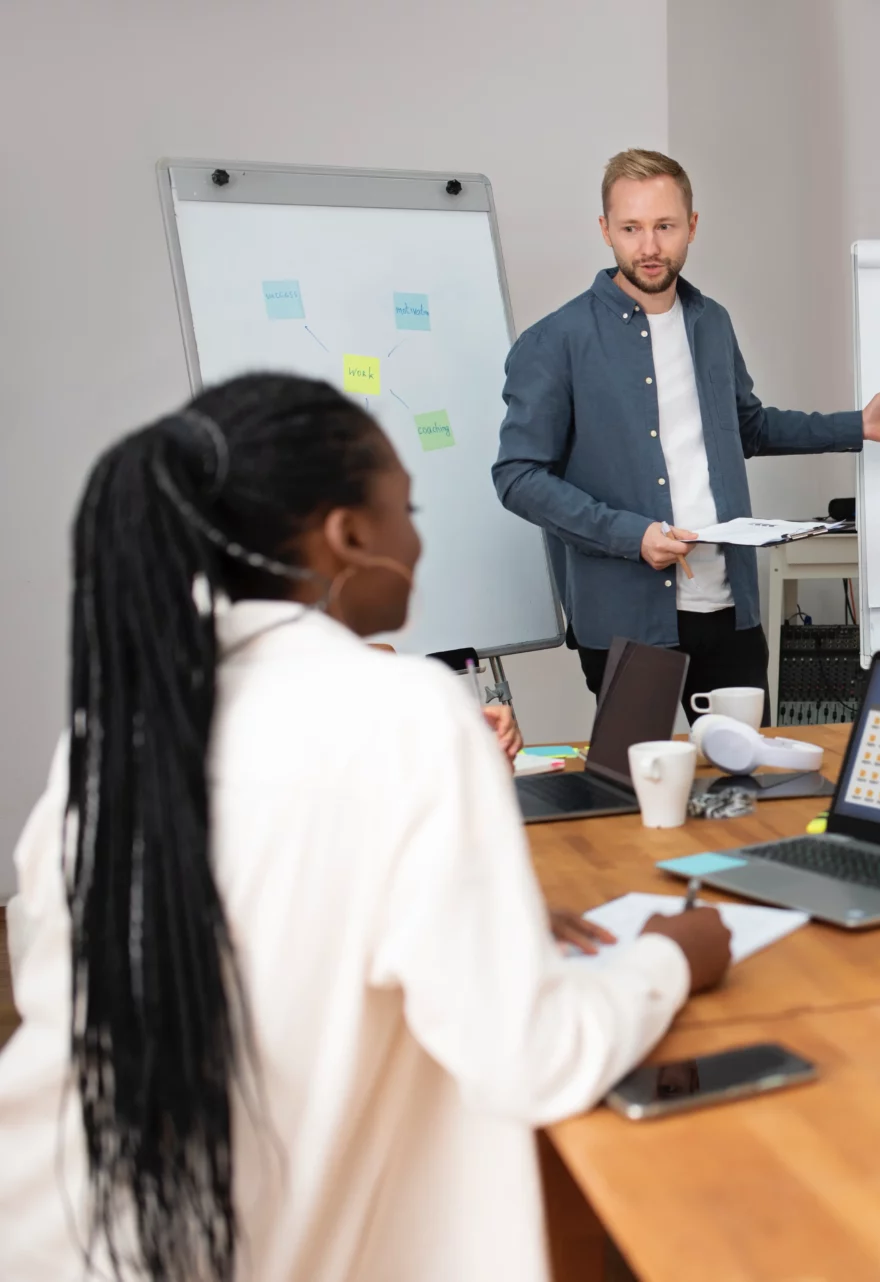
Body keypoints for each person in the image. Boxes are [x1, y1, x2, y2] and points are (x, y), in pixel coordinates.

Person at [0, 374, 733, 1281]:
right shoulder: (401, 708)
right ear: (348, 536)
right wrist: (672, 956)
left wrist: (464, 915)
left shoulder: (122, 722)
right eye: (407, 509)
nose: (417, 539)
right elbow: (530, 1059)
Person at [495, 148, 880, 714]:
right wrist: (631, 536)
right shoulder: (553, 341)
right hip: (625, 618)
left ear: (691, 228)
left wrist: (858, 427)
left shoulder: (712, 323)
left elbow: (745, 427)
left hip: (728, 606)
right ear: (605, 230)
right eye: (631, 228)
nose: (649, 246)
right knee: (634, 783)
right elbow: (518, 476)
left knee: (747, 778)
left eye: (664, 226)